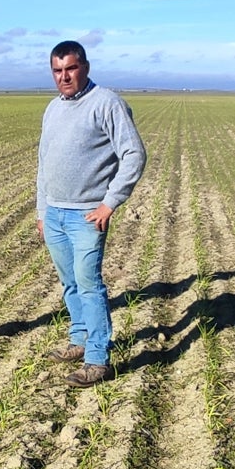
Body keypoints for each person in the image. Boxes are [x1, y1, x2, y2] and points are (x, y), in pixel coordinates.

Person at [37, 40, 147, 387]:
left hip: (87, 215)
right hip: (54, 213)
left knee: (89, 285)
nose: (64, 76)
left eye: (70, 68)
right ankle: (79, 338)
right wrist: (42, 210)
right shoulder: (53, 108)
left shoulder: (107, 103)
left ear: (85, 66)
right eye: (57, 70)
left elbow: (134, 154)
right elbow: (43, 163)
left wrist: (110, 202)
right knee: (70, 283)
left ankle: (97, 359)